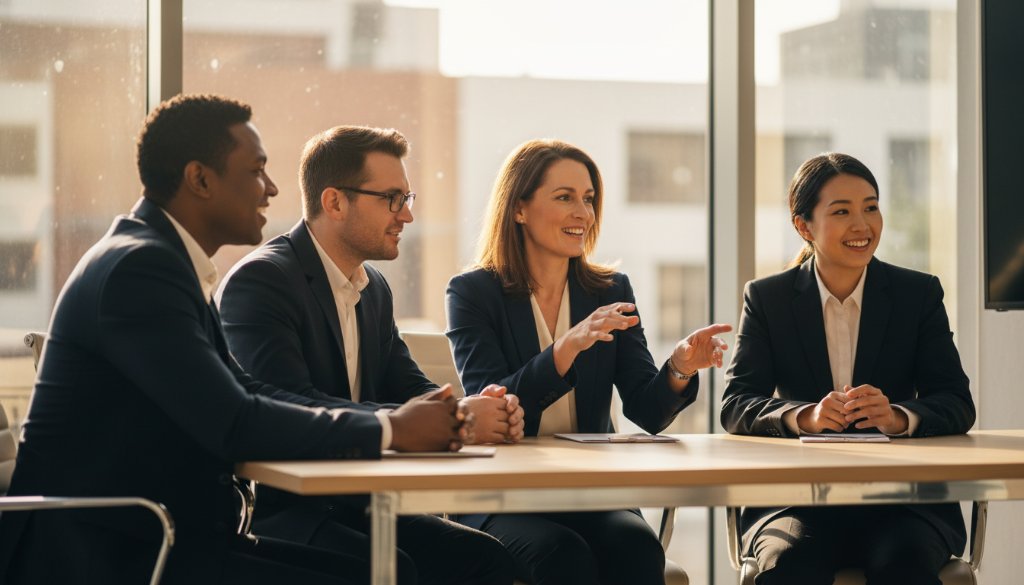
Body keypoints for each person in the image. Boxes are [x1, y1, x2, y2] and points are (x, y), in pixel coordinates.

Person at [0, 94, 468, 585]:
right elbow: (234, 420)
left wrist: (398, 422)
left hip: (164, 537)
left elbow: (248, 392)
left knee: (403, 569)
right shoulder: (139, 268)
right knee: (379, 576)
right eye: (256, 171)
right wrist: (390, 431)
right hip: (109, 552)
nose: (271, 189)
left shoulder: (165, 261)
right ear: (200, 179)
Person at [217, 124, 521, 585]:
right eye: (392, 199)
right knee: (397, 570)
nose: (407, 217)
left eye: (408, 199)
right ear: (335, 202)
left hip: (361, 501)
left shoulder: (371, 286)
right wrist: (419, 423)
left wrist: (467, 413)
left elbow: (408, 384)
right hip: (286, 511)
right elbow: (287, 404)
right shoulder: (262, 282)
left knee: (487, 560)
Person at [445, 138, 731, 585]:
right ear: (519, 208)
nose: (584, 213)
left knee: (636, 547)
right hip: (503, 495)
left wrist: (679, 367)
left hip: (592, 493)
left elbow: (647, 411)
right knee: (562, 554)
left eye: (589, 198)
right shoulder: (472, 293)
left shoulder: (610, 290)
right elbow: (495, 407)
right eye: (565, 198)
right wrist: (566, 347)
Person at [720, 152, 976, 585]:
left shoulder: (919, 295)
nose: (863, 225)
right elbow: (735, 404)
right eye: (842, 211)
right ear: (804, 226)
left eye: (871, 207)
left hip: (905, 504)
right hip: (796, 503)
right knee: (790, 568)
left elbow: (956, 402)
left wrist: (899, 417)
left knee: (903, 568)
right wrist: (805, 417)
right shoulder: (768, 299)